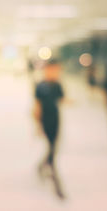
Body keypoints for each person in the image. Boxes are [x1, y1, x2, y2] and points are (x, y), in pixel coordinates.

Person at [33, 59, 65, 199]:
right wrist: (38, 125)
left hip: (56, 118)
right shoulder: (40, 86)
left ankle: (43, 165)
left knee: (54, 145)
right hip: (45, 119)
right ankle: (51, 167)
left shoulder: (57, 85)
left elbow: (61, 99)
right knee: (51, 145)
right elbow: (37, 107)